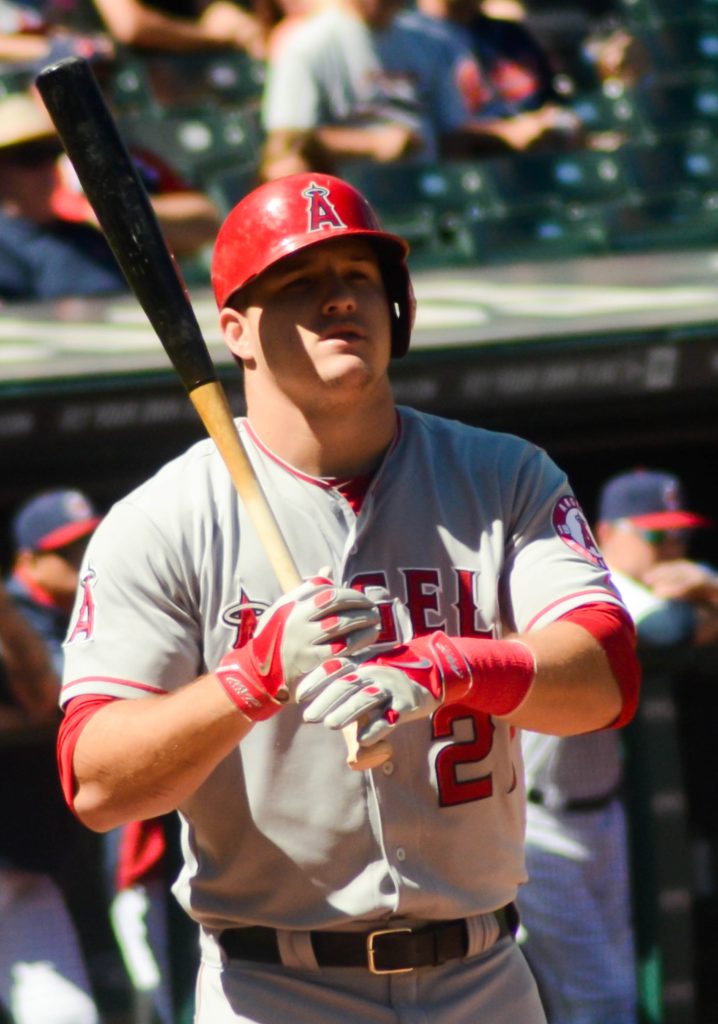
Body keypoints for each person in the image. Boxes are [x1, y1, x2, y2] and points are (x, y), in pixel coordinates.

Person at [56, 171, 640, 1024]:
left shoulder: (503, 475)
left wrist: (444, 666)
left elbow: (606, 674)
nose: (338, 299)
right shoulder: (164, 520)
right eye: (300, 283)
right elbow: (95, 779)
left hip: (483, 972)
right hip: (274, 984)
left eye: (358, 276)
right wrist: (249, 681)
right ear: (236, 331)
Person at [517, 467, 717, 1024]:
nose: (671, 548)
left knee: (615, 989)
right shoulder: (593, 582)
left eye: (679, 535)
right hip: (540, 829)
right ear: (608, 532)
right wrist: (703, 596)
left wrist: (701, 588)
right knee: (597, 999)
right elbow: (666, 631)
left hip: (602, 817)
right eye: (656, 535)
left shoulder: (662, 584)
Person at [0, 491, 134, 1024]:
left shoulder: (89, 610)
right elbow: (46, 707)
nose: (84, 561)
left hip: (27, 861)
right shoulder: (19, 612)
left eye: (88, 547)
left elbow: (44, 708)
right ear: (27, 561)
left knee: (69, 1016)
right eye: (68, 552)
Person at [0, 89, 221, 303]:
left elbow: (206, 225)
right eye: (30, 156)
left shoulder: (89, 213)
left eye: (54, 152)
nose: (49, 167)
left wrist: (107, 210)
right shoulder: (6, 240)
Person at [259, 0, 510, 180]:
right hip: (348, 189)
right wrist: (372, 143)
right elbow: (286, 141)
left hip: (426, 182)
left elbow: (452, 133)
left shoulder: (428, 41)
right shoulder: (308, 44)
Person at [417, 0, 583, 153]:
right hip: (464, 172)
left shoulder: (511, 33)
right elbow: (426, 137)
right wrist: (505, 132)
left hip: (531, 163)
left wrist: (554, 122)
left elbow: (551, 104)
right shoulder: (408, 42)